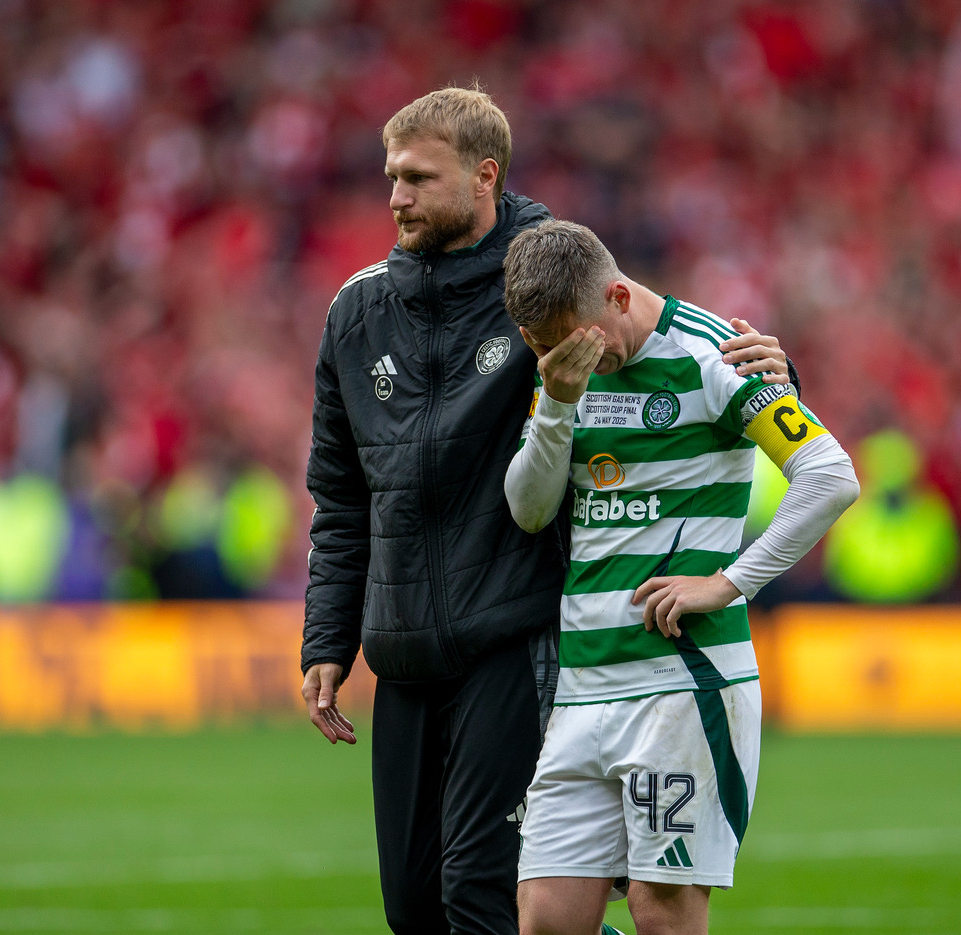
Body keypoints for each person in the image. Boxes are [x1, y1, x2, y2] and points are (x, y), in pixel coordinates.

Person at [300, 87, 793, 935]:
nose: (396, 197)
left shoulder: (545, 281)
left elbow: (663, 334)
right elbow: (342, 495)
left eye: (418, 178)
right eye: (391, 178)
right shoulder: (357, 311)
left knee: (484, 896)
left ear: (484, 176)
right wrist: (327, 637)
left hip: (519, 630)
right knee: (416, 910)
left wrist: (772, 372)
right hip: (404, 639)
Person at [502, 220, 859, 935]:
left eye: (571, 342)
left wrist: (729, 582)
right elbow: (530, 510)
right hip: (582, 687)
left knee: (660, 912)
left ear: (616, 295)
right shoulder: (560, 372)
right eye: (540, 347)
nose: (561, 358)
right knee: (547, 920)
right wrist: (558, 402)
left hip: (684, 686)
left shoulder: (714, 354)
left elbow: (829, 475)